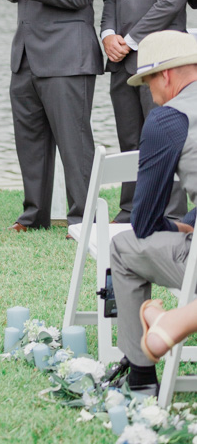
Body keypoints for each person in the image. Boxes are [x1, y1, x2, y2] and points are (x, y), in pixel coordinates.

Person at [1, 0, 105, 231]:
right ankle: (33, 216)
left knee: (74, 144)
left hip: (67, 57)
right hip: (26, 56)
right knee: (29, 141)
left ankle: (83, 218)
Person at [100, 0, 195, 222]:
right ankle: (130, 209)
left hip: (162, 62)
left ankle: (169, 215)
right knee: (129, 138)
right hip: (122, 61)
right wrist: (108, 34)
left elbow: (171, 1)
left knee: (164, 137)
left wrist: (130, 40)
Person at [110, 30, 197, 395]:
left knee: (124, 247)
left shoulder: (169, 119)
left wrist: (176, 227)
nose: (151, 93)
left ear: (165, 75)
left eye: (147, 83)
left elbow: (143, 221)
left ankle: (141, 376)